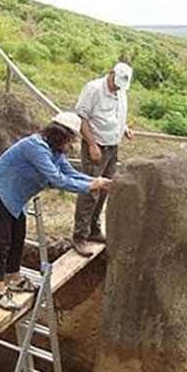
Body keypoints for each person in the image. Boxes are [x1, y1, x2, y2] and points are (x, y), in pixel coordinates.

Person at [0, 112, 111, 310]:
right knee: (1, 241)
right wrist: (91, 185)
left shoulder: (55, 151)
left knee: (18, 237)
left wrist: (98, 182)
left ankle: (15, 279)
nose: (71, 146)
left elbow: (69, 173)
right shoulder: (36, 148)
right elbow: (57, 179)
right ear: (60, 135)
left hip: (16, 198)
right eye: (70, 141)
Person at [72, 62, 133, 256]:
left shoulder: (121, 91)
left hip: (113, 146)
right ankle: (79, 236)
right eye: (116, 83)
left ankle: (93, 229)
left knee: (105, 189)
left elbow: (115, 115)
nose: (117, 87)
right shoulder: (93, 89)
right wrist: (91, 144)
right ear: (110, 73)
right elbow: (82, 117)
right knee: (90, 190)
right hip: (96, 146)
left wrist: (124, 128)